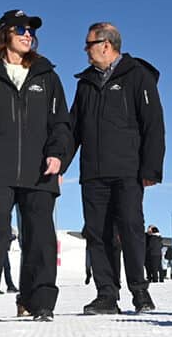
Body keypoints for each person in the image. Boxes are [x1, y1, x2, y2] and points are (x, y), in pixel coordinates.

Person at [0, 10, 72, 324]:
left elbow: (61, 123)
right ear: (5, 33)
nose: (28, 34)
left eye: (31, 30)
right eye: (21, 28)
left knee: (40, 236)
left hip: (40, 169)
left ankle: (38, 302)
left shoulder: (47, 75)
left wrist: (58, 154)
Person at [70, 22, 165, 315]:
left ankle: (140, 292)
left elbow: (153, 125)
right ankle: (106, 295)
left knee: (131, 230)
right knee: (98, 234)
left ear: (106, 45)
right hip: (93, 172)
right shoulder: (85, 82)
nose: (85, 50)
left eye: (89, 44)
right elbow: (73, 128)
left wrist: (151, 168)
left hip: (128, 170)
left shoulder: (138, 76)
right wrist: (59, 160)